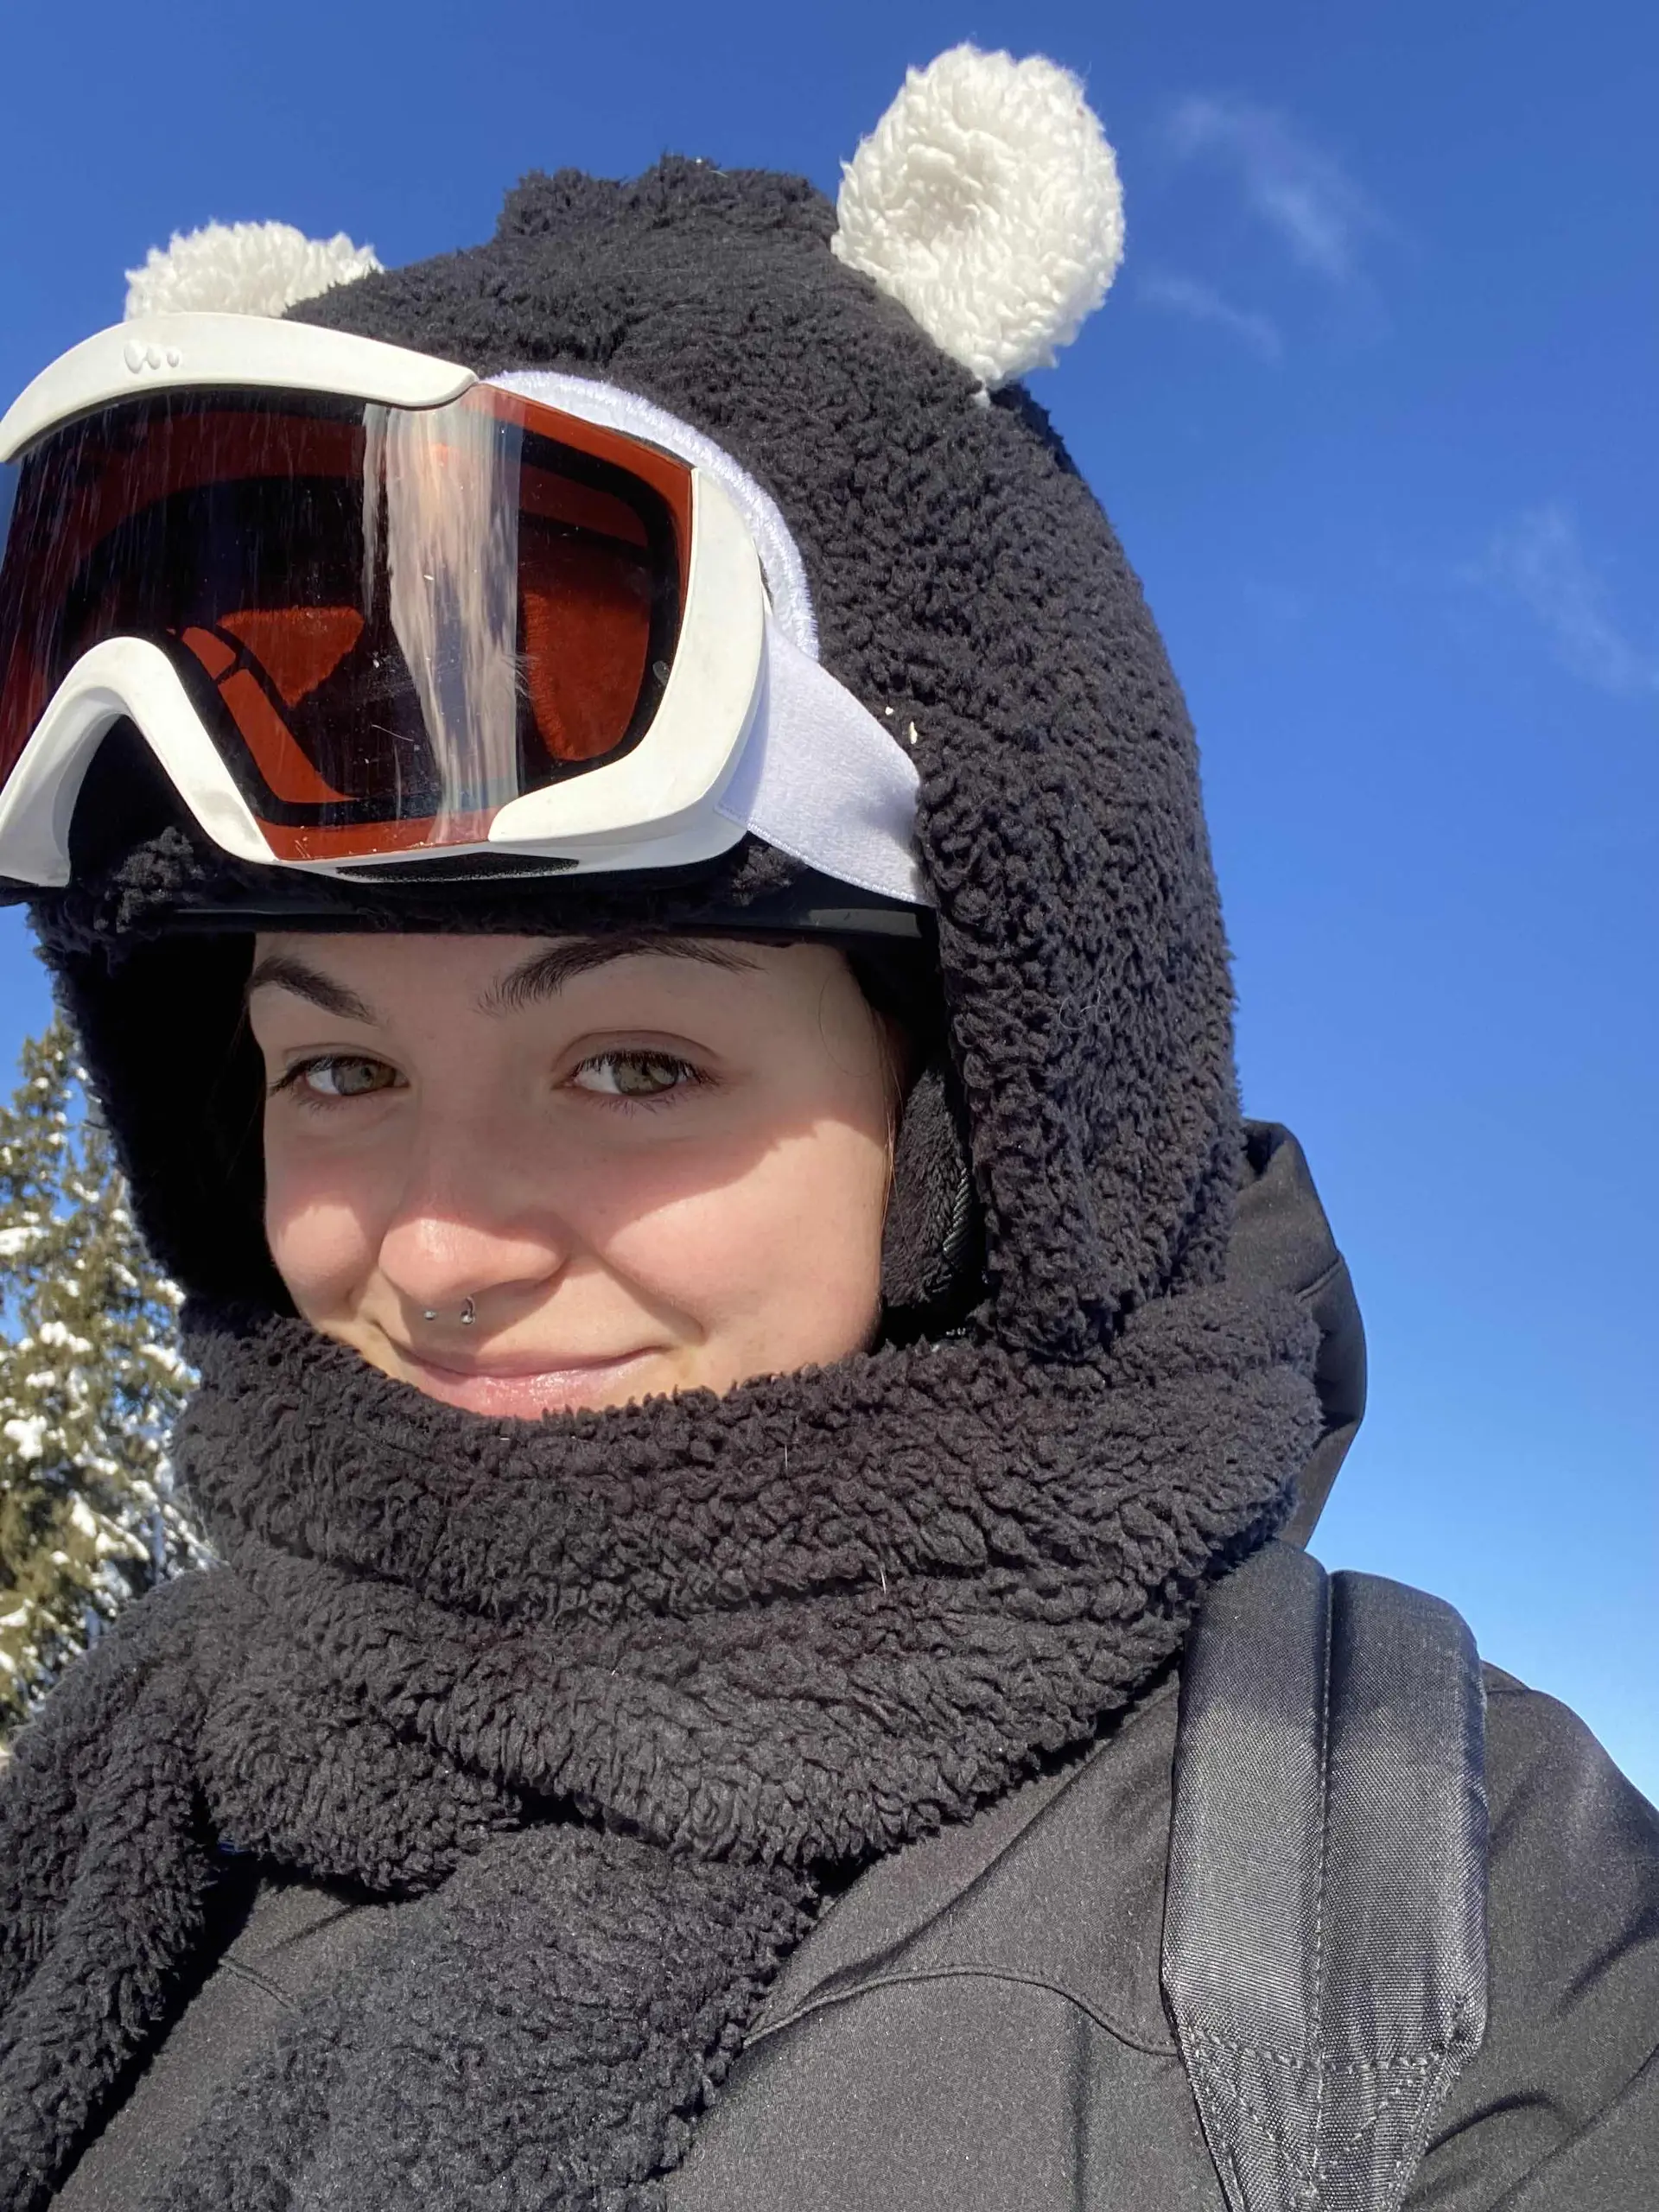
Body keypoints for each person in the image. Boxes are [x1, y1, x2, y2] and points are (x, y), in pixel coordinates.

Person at [0, 44, 1653, 2212]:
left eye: (633, 1065)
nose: (439, 1246)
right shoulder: (139, 1784)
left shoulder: (1434, 1895)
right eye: (337, 1070)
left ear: (968, 1116)